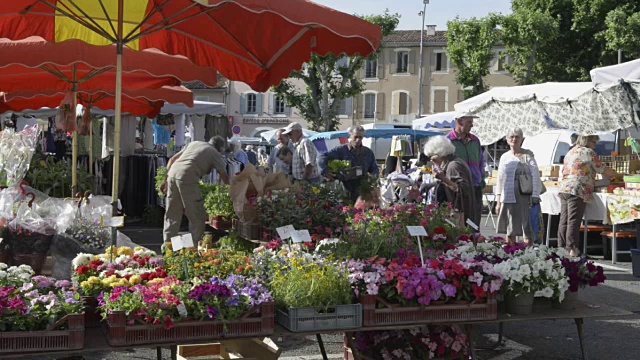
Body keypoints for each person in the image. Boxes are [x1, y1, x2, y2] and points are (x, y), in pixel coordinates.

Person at [558, 135, 619, 256]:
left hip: (564, 188)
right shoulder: (588, 152)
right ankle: (573, 249)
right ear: (587, 140)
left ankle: (561, 248)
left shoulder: (571, 151)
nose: (595, 145)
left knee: (564, 220)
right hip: (577, 189)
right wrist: (619, 175)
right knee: (573, 221)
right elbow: (603, 169)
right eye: (594, 142)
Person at [162, 139, 230, 243]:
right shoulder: (215, 153)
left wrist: (165, 180)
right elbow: (224, 177)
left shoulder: (194, 143)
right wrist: (232, 189)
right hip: (187, 176)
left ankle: (168, 247)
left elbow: (172, 159)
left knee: (172, 213)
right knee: (196, 216)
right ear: (221, 149)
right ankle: (191, 248)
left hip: (172, 174)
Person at [495, 128, 542, 245]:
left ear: (522, 139)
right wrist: (498, 200)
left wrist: (535, 195)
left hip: (524, 197)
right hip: (508, 196)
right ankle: (510, 253)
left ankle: (527, 254)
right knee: (510, 228)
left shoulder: (528, 156)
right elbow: (500, 179)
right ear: (507, 140)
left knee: (526, 227)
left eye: (517, 137)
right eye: (511, 137)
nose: (514, 139)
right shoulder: (504, 157)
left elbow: (535, 176)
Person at [422, 136, 476, 226]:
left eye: (430, 157)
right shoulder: (453, 163)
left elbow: (463, 190)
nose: (431, 160)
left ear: (438, 154)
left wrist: (443, 179)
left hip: (459, 216)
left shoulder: (454, 165)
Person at [318, 125, 379, 201]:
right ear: (350, 136)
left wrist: (372, 179)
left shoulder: (368, 152)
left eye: (360, 137)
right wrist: (325, 172)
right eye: (355, 137)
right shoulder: (341, 150)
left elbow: (374, 168)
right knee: (344, 210)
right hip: (344, 188)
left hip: (362, 190)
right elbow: (322, 157)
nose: (358, 140)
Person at [447, 114, 485, 227]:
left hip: (475, 187)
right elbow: (440, 165)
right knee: (458, 222)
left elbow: (481, 162)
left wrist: (482, 180)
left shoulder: (475, 140)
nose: (472, 125)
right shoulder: (448, 141)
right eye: (469, 122)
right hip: (458, 189)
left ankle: (475, 243)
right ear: (459, 122)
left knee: (475, 222)